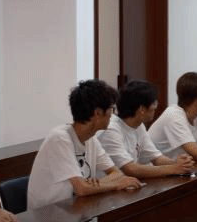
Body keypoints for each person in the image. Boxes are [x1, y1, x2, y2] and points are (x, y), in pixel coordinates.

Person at [27, 79, 141, 209]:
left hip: (75, 209)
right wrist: (116, 184)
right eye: (111, 108)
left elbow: (117, 173)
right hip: (49, 215)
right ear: (98, 113)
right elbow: (81, 189)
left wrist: (95, 184)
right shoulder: (59, 138)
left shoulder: (90, 139)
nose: (112, 114)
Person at [97, 80, 194, 179]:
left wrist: (180, 164)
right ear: (142, 109)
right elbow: (130, 169)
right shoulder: (111, 130)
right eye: (154, 102)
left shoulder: (139, 125)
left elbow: (156, 157)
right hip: (110, 185)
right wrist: (173, 168)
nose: (156, 106)